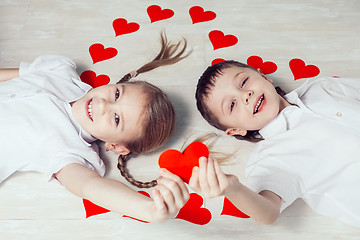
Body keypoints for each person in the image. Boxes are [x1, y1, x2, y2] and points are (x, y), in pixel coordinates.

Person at [0, 32, 191, 223]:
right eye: (116, 94)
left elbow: (90, 186)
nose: (102, 105)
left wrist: (148, 210)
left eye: (116, 119)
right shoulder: (61, 70)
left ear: (115, 146)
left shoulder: (71, 151)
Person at [191, 60, 360, 228]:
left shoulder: (322, 88)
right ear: (236, 130)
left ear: (263, 76)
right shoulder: (270, 157)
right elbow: (268, 212)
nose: (245, 95)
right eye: (232, 104)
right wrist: (234, 189)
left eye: (243, 82)